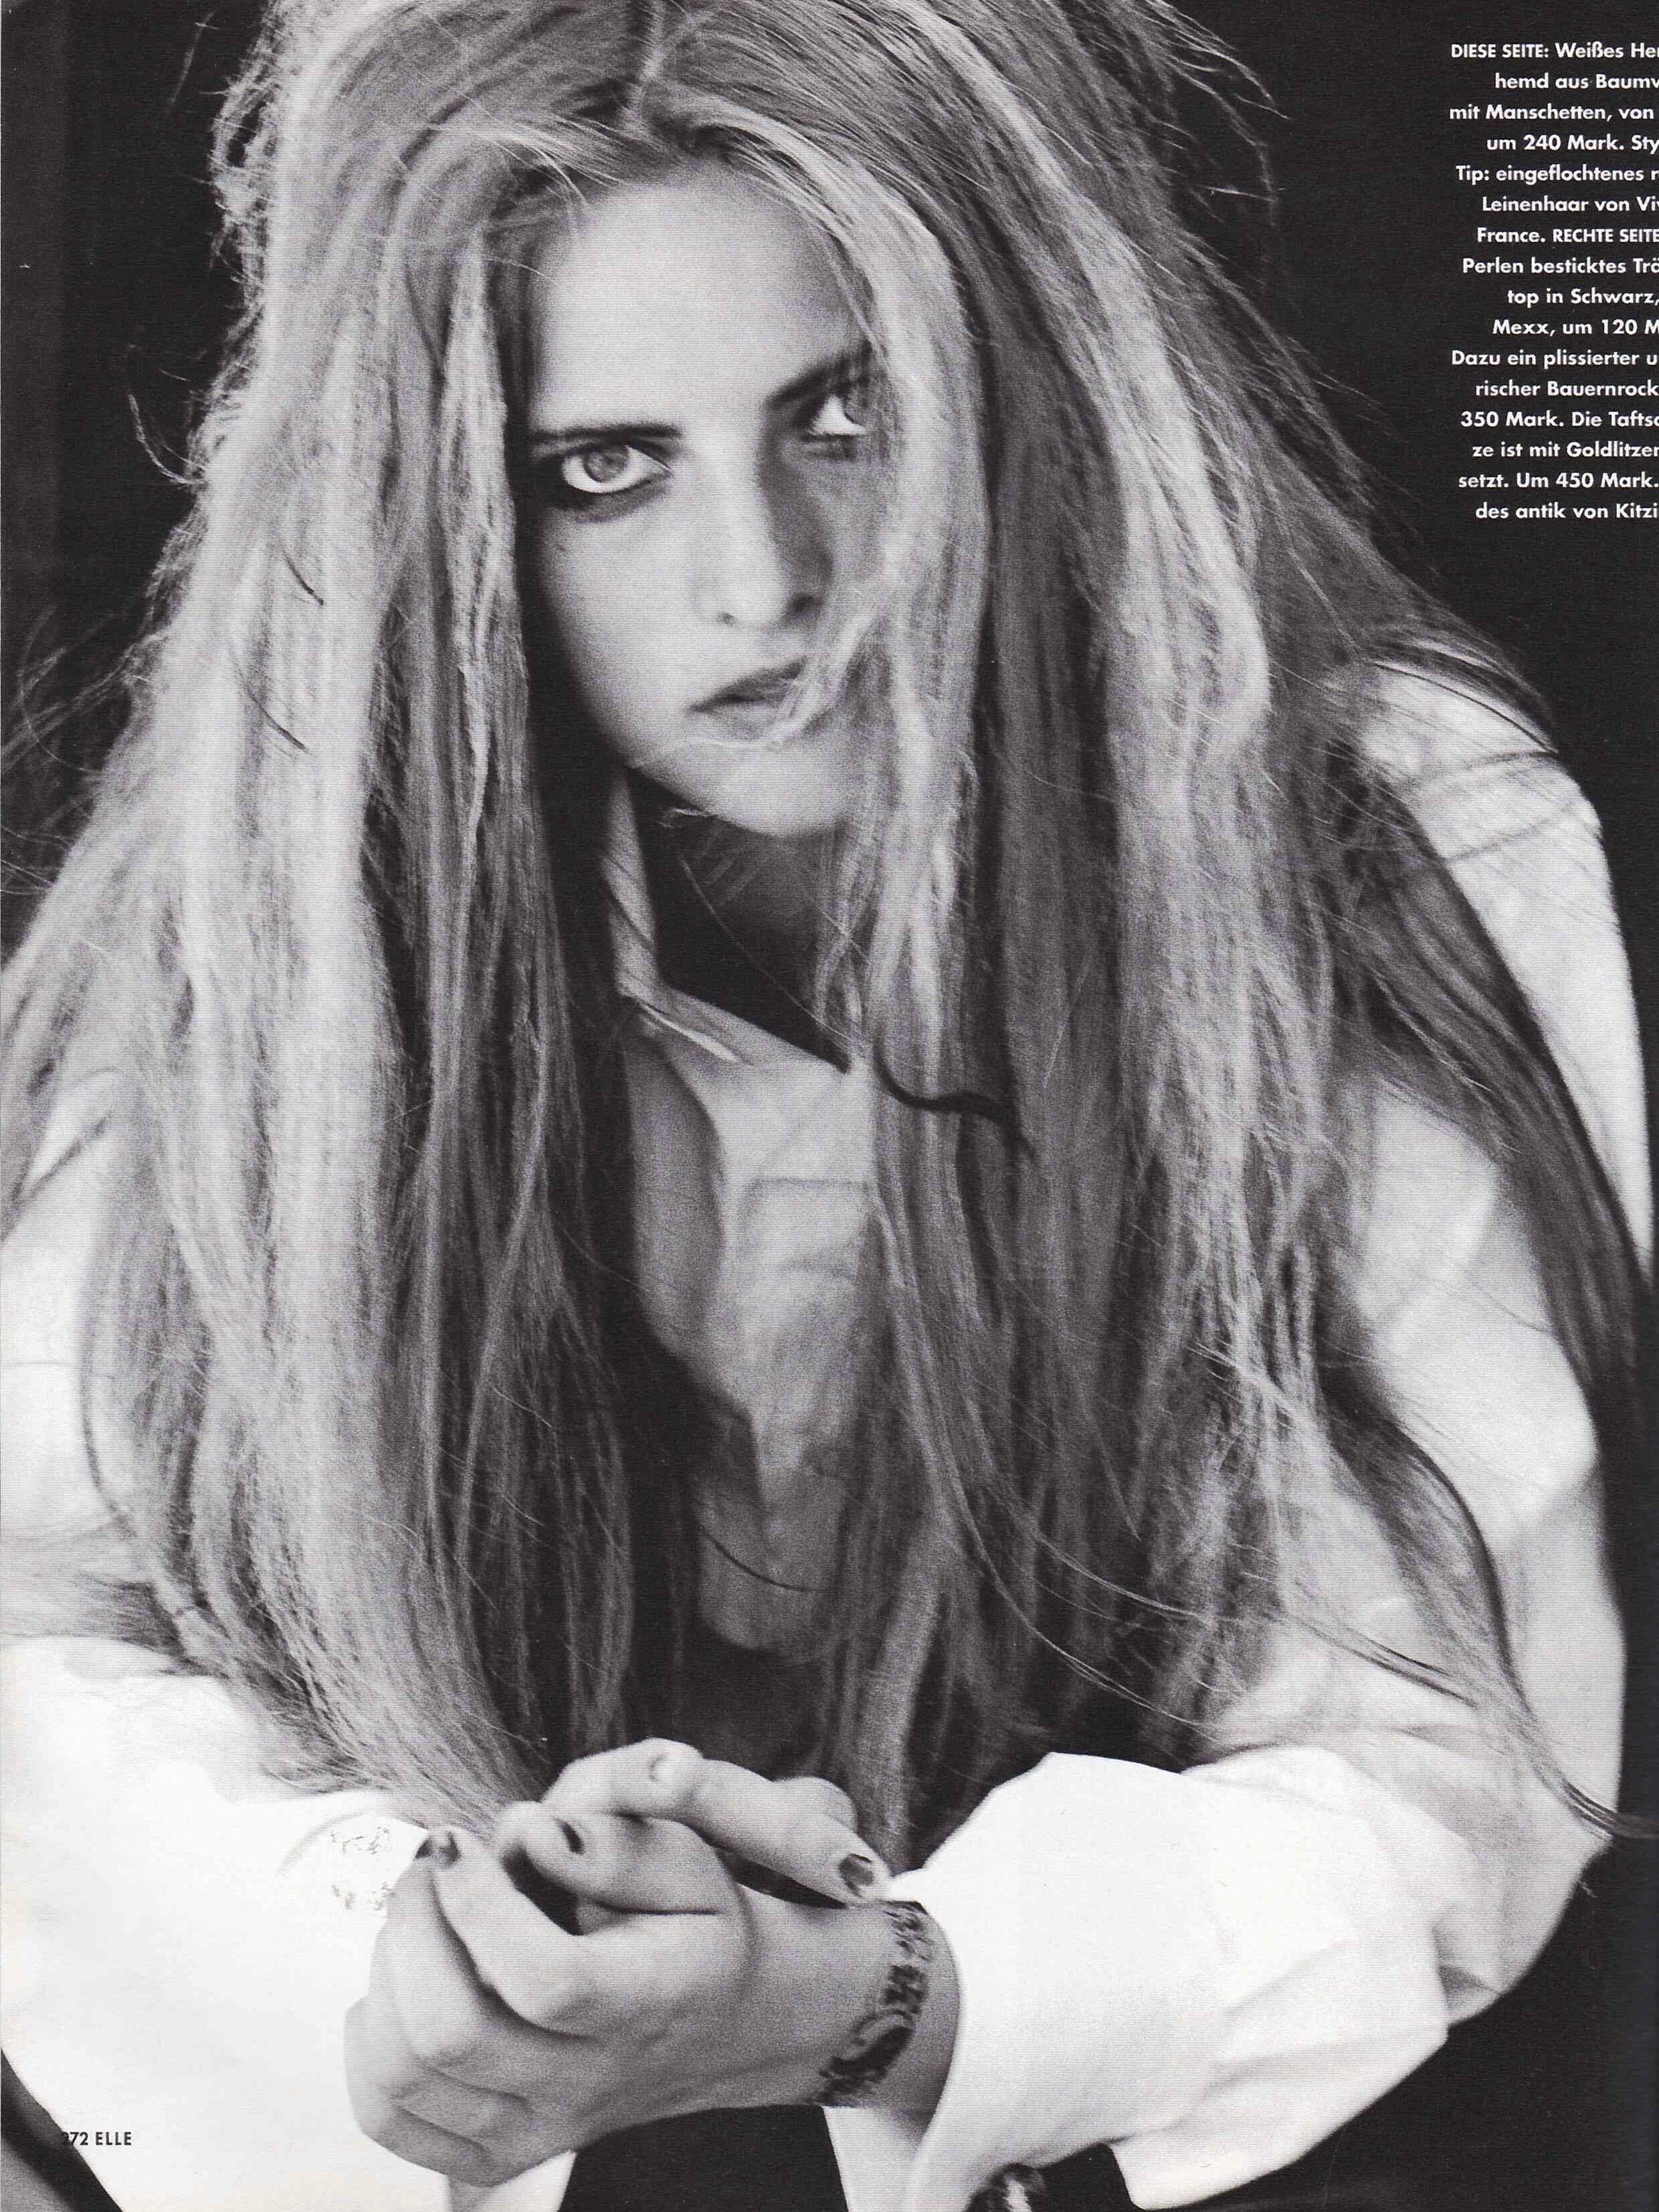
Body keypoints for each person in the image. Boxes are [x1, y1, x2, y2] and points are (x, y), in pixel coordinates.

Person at [1, 1, 1648, 2208]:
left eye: (849, 414)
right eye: (607, 468)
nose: (764, 578)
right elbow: (38, 1639)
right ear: (453, 516)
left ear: (1023, 390)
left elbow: (1433, 1757)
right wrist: (427, 1938)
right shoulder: (290, 879)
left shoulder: (1376, 829)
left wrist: (874, 1997)